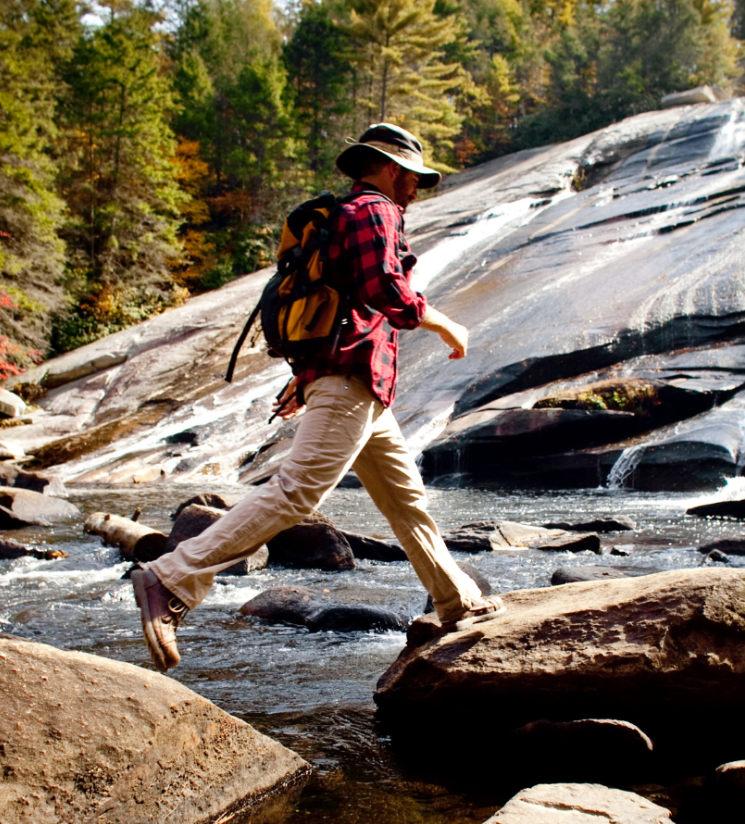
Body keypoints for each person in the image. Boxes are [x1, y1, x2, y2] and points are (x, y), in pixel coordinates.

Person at [132, 122, 502, 672]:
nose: (416, 190)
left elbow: (343, 307)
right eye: (414, 178)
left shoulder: (342, 216)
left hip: (357, 385)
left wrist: (306, 378)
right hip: (351, 383)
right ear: (392, 169)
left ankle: (455, 603)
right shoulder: (376, 208)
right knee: (294, 494)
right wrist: (447, 324)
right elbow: (385, 290)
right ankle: (170, 577)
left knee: (407, 502)